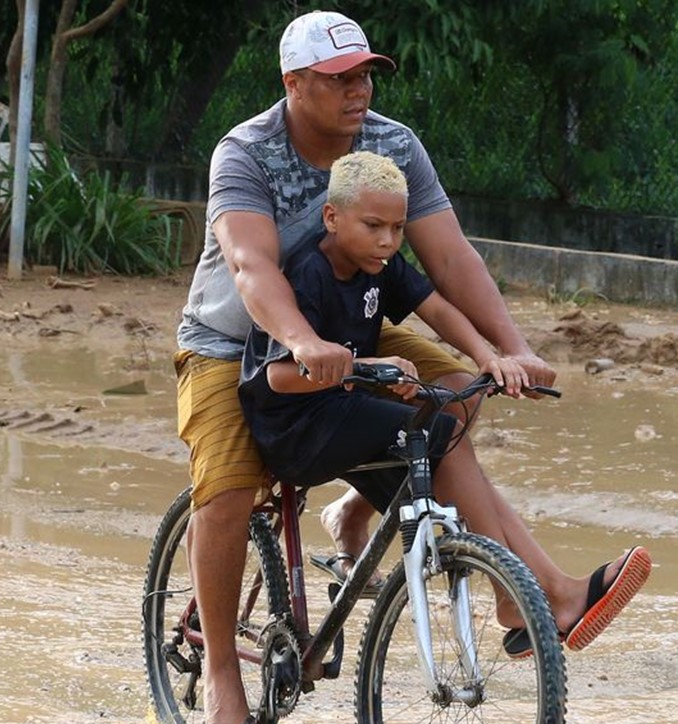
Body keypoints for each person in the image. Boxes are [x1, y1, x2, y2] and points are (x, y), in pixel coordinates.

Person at [174, 10, 642, 724]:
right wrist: (302, 342)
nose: (358, 91)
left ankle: (501, 580)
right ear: (293, 84)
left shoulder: (393, 145)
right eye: (338, 79)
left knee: (454, 391)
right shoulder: (246, 152)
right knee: (227, 488)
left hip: (350, 327)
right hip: (242, 341)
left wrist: (511, 350)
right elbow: (250, 267)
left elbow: (449, 263)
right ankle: (227, 681)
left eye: (365, 75)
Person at [240, 149, 650, 675]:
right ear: (332, 217)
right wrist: (366, 366)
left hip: (343, 414)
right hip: (296, 427)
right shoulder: (309, 273)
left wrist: (493, 359)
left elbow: (435, 308)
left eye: (397, 228)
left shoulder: (378, 265)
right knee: (440, 433)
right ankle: (525, 592)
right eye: (373, 226)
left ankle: (540, 589)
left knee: (450, 425)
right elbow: (277, 375)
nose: (388, 241)